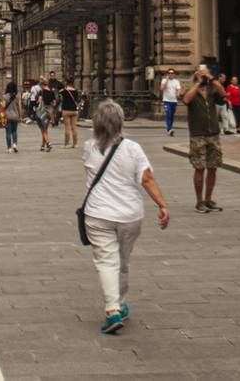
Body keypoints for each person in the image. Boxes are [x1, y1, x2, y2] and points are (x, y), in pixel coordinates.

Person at [80, 99, 169, 336]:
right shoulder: (132, 148)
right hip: (130, 214)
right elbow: (147, 179)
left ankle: (113, 310)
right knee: (123, 260)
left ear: (96, 124)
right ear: (120, 122)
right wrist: (162, 205)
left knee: (107, 261)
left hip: (98, 214)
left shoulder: (89, 147)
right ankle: (119, 303)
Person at [182, 65, 227, 213]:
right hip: (197, 135)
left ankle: (208, 199)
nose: (203, 75)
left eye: (205, 71)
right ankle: (199, 201)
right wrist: (197, 83)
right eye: (200, 72)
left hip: (213, 134)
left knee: (213, 167)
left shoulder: (212, 90)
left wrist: (212, 79)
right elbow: (186, 100)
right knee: (199, 168)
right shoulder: (192, 91)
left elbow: (223, 94)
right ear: (196, 74)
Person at [58, 79, 82, 148]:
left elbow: (59, 98)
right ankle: (75, 144)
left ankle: (66, 144)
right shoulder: (76, 91)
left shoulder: (63, 91)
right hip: (74, 110)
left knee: (67, 127)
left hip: (66, 110)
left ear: (66, 83)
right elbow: (78, 99)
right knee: (74, 127)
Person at [159, 69, 182, 136]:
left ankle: (169, 129)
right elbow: (162, 88)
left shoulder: (176, 81)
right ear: (167, 74)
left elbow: (178, 89)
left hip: (174, 101)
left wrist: (178, 94)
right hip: (166, 101)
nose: (170, 74)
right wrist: (166, 80)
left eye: (172, 73)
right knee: (168, 114)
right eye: (169, 73)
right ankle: (170, 129)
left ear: (174, 74)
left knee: (171, 116)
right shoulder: (164, 80)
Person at [34, 79, 54, 152]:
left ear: (42, 85)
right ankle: (43, 145)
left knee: (43, 130)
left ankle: (48, 144)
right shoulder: (51, 92)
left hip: (42, 112)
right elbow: (54, 103)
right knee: (45, 129)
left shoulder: (41, 92)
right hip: (49, 111)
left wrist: (38, 102)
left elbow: (39, 101)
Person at [2, 83, 22, 153]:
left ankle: (9, 148)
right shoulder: (18, 95)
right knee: (14, 131)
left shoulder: (5, 96)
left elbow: (3, 106)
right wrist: (20, 116)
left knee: (8, 132)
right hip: (15, 116)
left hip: (7, 116)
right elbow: (19, 106)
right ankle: (15, 145)